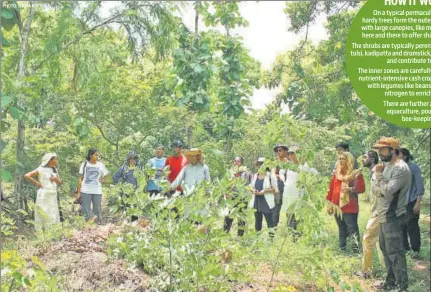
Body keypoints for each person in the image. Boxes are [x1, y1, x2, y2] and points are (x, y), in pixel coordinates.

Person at [372, 137, 411, 291]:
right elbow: (375, 190)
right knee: (385, 249)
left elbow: (387, 192)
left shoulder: (400, 168)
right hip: (384, 215)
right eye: (379, 149)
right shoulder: (386, 166)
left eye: (384, 149)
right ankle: (391, 283)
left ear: (394, 150)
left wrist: (379, 178)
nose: (380, 153)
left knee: (395, 252)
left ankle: (402, 287)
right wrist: (381, 185)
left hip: (392, 216)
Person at [326, 152, 365, 252]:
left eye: (343, 158)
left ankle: (355, 249)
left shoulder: (356, 174)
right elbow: (331, 189)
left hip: (350, 205)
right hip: (336, 205)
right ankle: (342, 248)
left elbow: (361, 188)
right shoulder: (337, 174)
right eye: (339, 158)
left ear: (349, 160)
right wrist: (329, 204)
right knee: (341, 227)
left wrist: (351, 189)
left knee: (352, 228)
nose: (340, 161)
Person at [356, 150, 385, 279]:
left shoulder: (378, 172)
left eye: (365, 157)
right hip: (376, 212)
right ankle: (387, 272)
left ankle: (366, 271)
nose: (363, 159)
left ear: (372, 159)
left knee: (367, 239)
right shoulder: (373, 172)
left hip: (379, 212)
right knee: (380, 242)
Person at [282, 146, 318, 231]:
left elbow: (310, 174)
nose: (290, 156)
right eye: (289, 154)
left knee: (298, 215)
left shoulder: (304, 165)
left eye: (292, 153)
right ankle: (290, 232)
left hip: (299, 195)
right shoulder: (289, 165)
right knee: (289, 214)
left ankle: (297, 234)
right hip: (288, 195)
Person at [24, 153, 62, 231]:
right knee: (43, 210)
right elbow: (27, 175)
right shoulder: (40, 169)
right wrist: (37, 183)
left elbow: (60, 182)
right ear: (49, 160)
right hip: (43, 194)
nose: (56, 161)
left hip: (53, 193)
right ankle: (41, 229)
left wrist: (55, 179)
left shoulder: (54, 169)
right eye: (55, 159)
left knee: (53, 211)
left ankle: (52, 229)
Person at [400, 148, 424, 256]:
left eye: (399, 154)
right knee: (402, 225)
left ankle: (415, 250)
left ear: (405, 156)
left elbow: (420, 187)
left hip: (412, 201)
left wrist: (418, 203)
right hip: (401, 202)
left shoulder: (413, 167)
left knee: (412, 225)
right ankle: (406, 249)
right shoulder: (399, 168)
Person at [77, 148, 110, 223]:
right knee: (86, 208)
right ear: (91, 155)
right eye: (96, 155)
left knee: (97, 209)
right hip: (85, 190)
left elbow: (107, 173)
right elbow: (80, 179)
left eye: (98, 155)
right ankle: (88, 224)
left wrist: (103, 179)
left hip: (97, 190)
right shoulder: (84, 164)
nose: (97, 157)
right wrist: (78, 192)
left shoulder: (100, 165)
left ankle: (97, 223)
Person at [250, 157, 278, 238]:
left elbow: (275, 189)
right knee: (258, 221)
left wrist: (265, 191)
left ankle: (271, 238)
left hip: (266, 202)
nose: (260, 166)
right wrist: (253, 190)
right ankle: (257, 238)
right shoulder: (255, 176)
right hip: (257, 201)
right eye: (259, 164)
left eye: (262, 164)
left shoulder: (270, 176)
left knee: (270, 222)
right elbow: (251, 186)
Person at [223, 156, 251, 237]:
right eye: (234, 161)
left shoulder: (246, 173)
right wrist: (226, 193)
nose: (235, 163)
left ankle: (240, 236)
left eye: (237, 161)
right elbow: (226, 184)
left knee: (241, 217)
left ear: (242, 163)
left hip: (242, 198)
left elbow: (249, 185)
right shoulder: (230, 172)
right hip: (231, 198)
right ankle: (225, 234)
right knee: (228, 216)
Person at [113, 151, 140, 221]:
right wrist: (120, 186)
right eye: (131, 158)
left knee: (135, 209)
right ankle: (125, 224)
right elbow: (115, 177)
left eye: (134, 159)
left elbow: (143, 179)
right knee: (125, 208)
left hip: (135, 193)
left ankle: (134, 223)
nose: (132, 160)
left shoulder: (138, 169)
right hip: (125, 193)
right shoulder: (123, 168)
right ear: (128, 159)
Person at [272, 144, 289, 228]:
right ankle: (273, 230)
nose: (278, 152)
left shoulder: (289, 162)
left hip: (288, 187)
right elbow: (274, 173)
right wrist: (278, 176)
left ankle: (291, 229)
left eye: (280, 150)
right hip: (278, 187)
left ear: (285, 151)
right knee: (276, 208)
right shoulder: (276, 162)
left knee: (289, 209)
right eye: (277, 151)